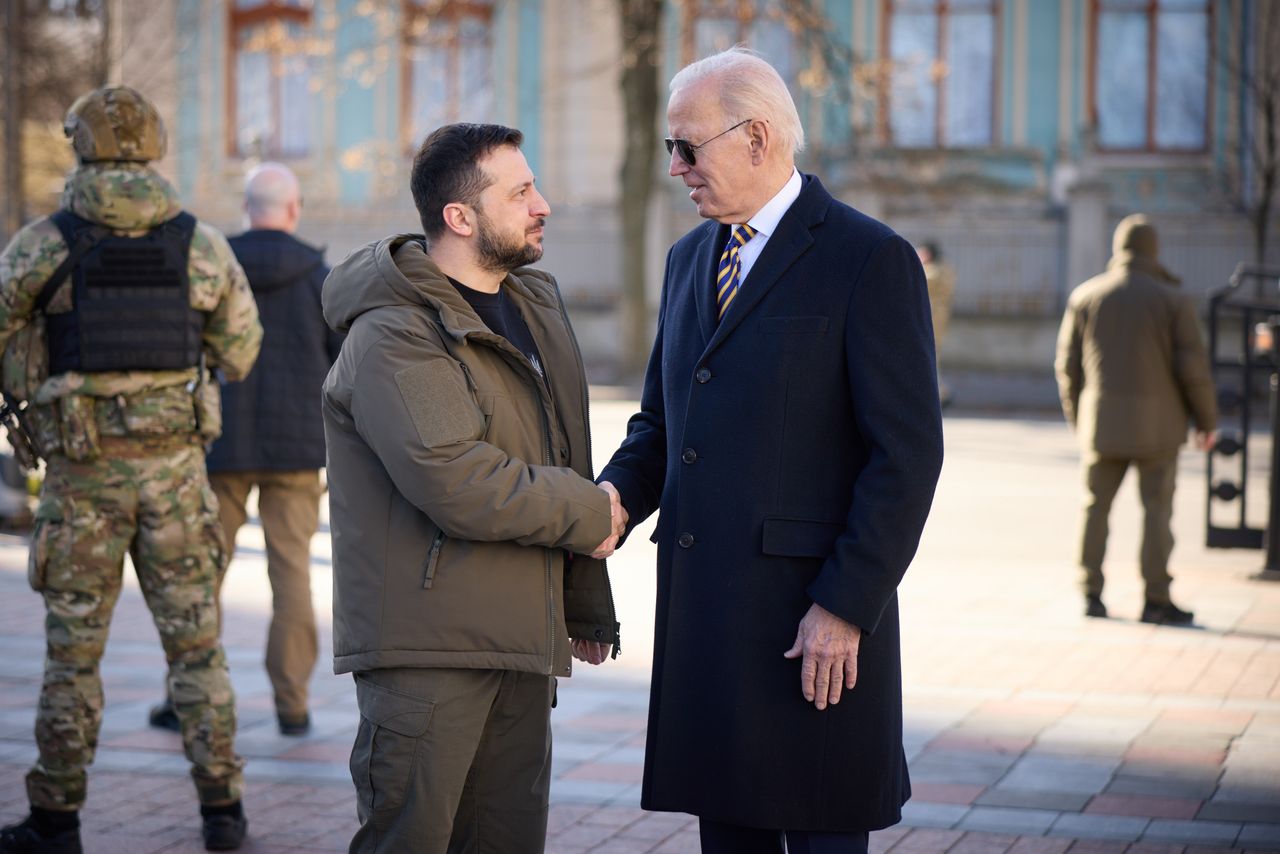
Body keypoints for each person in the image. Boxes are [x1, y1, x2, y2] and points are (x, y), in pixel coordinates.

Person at [598, 48, 944, 853]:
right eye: (669, 149)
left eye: (689, 147)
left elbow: (905, 458)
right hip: (710, 630)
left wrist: (846, 606)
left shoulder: (869, 258)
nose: (677, 167)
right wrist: (608, 503)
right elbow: (661, 423)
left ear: (756, 137)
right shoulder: (690, 258)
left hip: (812, 633)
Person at [321, 122, 625, 853]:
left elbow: (558, 451)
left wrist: (583, 601)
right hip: (431, 657)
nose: (543, 204)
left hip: (520, 641)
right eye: (521, 192)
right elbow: (456, 477)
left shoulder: (532, 309)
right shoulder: (396, 333)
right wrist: (591, 513)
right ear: (460, 217)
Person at [0, 86, 262, 853]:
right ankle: (223, 812)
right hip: (177, 480)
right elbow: (242, 350)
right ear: (154, 147)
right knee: (197, 650)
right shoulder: (200, 244)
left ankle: (56, 821)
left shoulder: (44, 242)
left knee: (71, 656)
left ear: (80, 146)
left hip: (82, 480)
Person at [148, 163, 340, 738]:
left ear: (246, 209)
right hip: (298, 448)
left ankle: (184, 697)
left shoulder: (209, 267)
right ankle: (293, 704)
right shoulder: (319, 278)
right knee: (292, 576)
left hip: (219, 445)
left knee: (202, 573)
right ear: (294, 208)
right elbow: (343, 364)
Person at [1055, 214, 1217, 625]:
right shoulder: (1173, 300)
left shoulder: (1086, 296)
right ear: (1152, 250)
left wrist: (1080, 418)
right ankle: (1156, 599)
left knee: (1094, 509)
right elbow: (1192, 368)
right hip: (1158, 428)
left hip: (1102, 423)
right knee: (1157, 513)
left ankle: (1090, 593)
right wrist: (1207, 420)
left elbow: (1067, 367)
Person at [917, 240, 955, 407]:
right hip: (939, 317)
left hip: (931, 318)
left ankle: (941, 392)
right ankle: (940, 392)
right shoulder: (945, 269)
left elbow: (915, 276)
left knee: (929, 356)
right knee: (932, 356)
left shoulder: (932, 271)